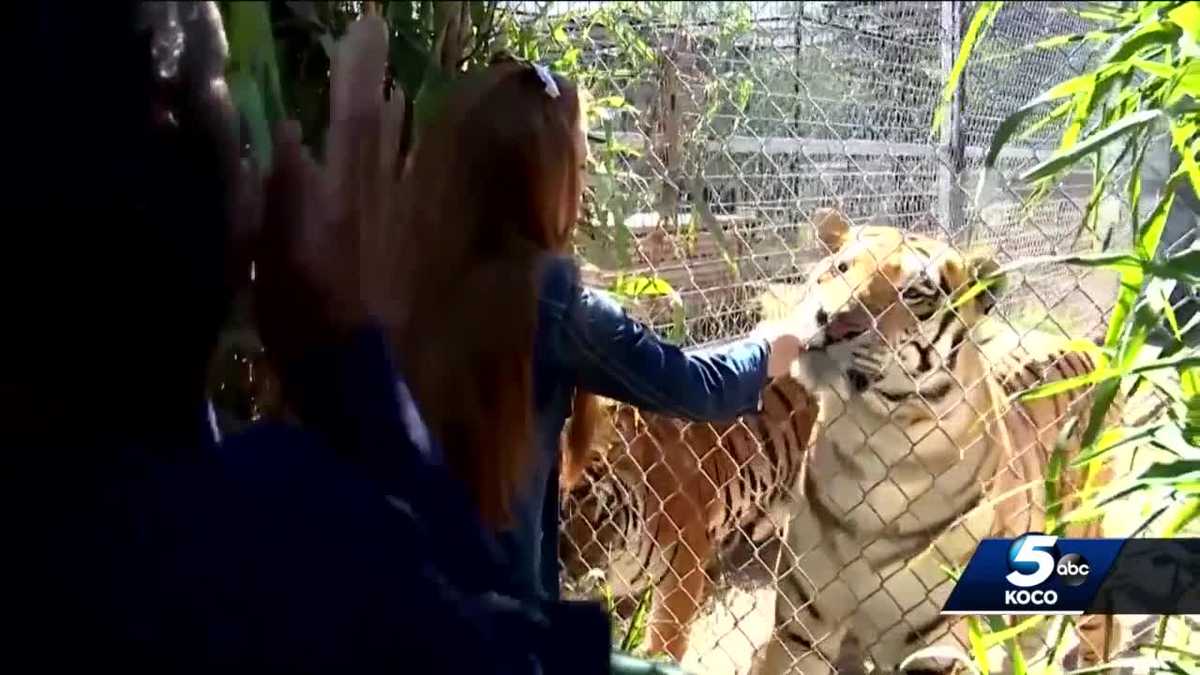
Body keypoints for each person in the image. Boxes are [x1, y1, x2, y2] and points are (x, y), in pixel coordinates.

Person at [5, 4, 610, 673]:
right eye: (221, 85)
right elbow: (518, 654)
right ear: (169, 128)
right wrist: (349, 362)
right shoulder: (287, 539)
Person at [389, 55, 804, 602]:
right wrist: (773, 347)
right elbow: (691, 386)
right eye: (580, 169)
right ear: (541, 185)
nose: (583, 188)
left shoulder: (400, 269)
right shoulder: (556, 306)